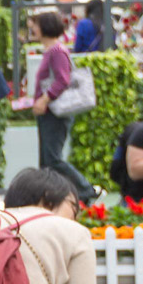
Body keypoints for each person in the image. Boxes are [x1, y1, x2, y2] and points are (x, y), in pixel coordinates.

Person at [29, 11, 101, 204]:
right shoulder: (51, 51)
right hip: (49, 113)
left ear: (45, 28)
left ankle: (85, 190)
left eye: (35, 24)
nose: (32, 28)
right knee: (47, 162)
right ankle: (50, 196)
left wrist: (44, 99)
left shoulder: (57, 52)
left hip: (55, 113)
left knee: (52, 159)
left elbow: (63, 80)